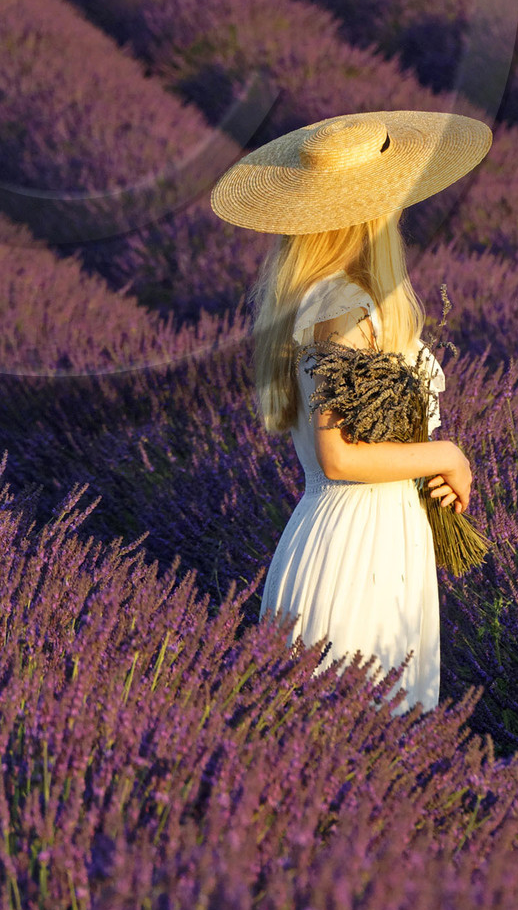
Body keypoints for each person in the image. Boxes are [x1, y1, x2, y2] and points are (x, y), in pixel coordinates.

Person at [209, 108, 491, 714]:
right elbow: (339, 456)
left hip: (357, 538)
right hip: (361, 553)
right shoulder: (345, 307)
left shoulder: (320, 298)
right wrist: (446, 454)